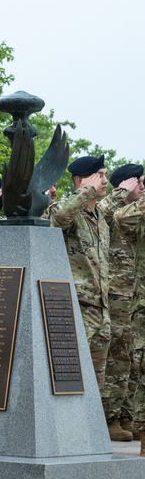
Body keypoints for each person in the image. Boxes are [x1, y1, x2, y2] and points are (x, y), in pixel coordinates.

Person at [47, 155, 113, 433]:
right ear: (80, 180)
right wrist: (85, 190)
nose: (104, 180)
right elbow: (59, 218)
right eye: (99, 174)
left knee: (96, 377)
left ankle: (88, 432)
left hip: (101, 306)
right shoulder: (68, 210)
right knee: (69, 373)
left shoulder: (100, 217)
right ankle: (62, 430)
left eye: (105, 174)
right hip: (75, 305)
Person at [100, 165, 144, 441]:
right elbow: (114, 214)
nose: (141, 186)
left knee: (129, 358)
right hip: (117, 294)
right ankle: (110, 417)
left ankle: (125, 413)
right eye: (137, 182)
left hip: (133, 295)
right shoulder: (117, 213)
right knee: (117, 358)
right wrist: (123, 192)